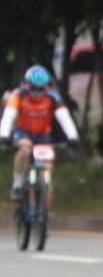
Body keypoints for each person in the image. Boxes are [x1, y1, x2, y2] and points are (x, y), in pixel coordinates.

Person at [0, 66, 80, 200]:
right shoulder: (18, 95)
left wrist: (73, 136)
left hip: (43, 134)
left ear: (46, 87)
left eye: (41, 89)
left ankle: (45, 206)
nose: (37, 93)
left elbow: (64, 117)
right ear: (26, 85)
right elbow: (9, 115)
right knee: (25, 150)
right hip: (23, 131)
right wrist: (4, 135)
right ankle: (17, 185)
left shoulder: (53, 97)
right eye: (33, 88)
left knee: (47, 166)